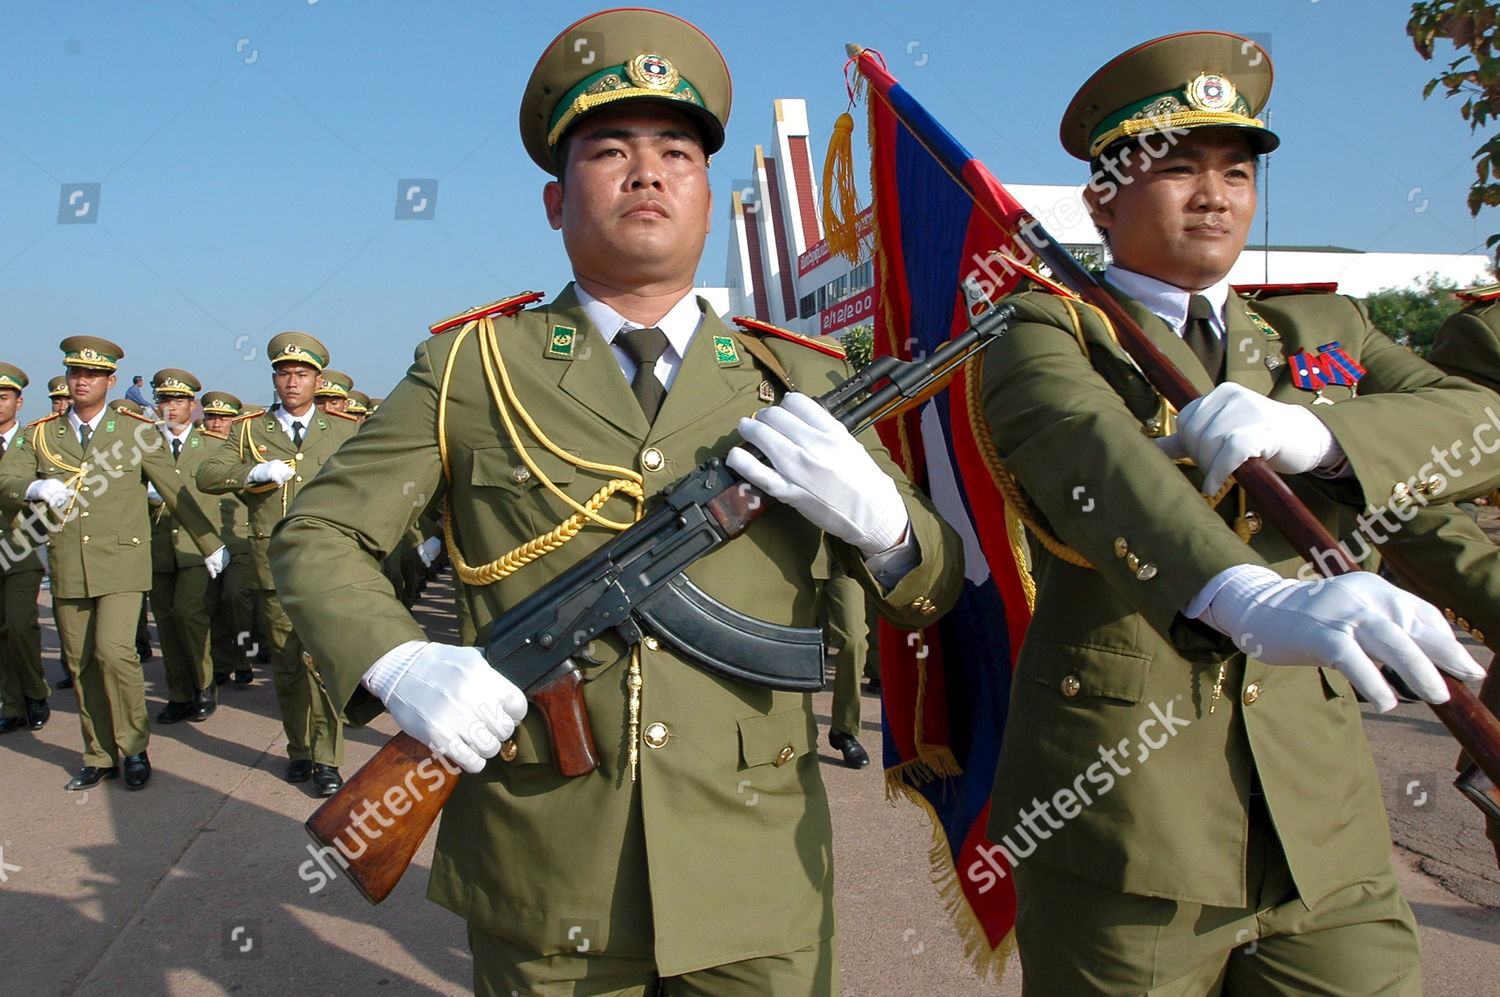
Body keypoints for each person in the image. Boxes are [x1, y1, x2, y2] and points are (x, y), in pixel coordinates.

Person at [268, 9, 962, 994]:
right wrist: (401, 660)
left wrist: (888, 530)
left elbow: (929, 593)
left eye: (677, 151)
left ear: (710, 197)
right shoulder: (474, 368)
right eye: (611, 150)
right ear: (555, 202)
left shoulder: (796, 380)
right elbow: (318, 535)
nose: (647, 173)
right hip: (548, 871)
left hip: (753, 879)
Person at [979, 32, 1499, 993]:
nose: (1215, 195)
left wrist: (1324, 438)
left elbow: (1485, 420)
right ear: (1102, 196)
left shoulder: (1319, 332)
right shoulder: (1043, 330)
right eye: (1176, 167)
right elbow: (1097, 463)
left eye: (1236, 170)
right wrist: (1249, 597)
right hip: (1127, 823)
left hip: (1323, 823)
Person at [0, 337, 225, 791]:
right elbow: (6, 475)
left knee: (115, 652)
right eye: (75, 374)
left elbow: (175, 488)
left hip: (123, 562)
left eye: (92, 375)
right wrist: (31, 489)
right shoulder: (43, 434)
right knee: (80, 661)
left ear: (111, 381)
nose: (81, 382)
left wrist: (209, 542)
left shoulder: (135, 431)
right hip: (69, 562)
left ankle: (135, 746)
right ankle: (99, 754)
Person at [196, 333, 360, 797]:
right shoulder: (250, 431)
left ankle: (328, 759)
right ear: (274, 378)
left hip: (328, 565)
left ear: (317, 380)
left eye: (302, 374)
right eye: (285, 373)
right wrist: (251, 473)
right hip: (275, 566)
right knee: (288, 666)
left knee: (325, 663)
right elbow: (207, 475)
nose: (293, 381)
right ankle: (300, 751)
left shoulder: (344, 430)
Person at [146, 369, 220, 723]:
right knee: (166, 620)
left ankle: (204, 684)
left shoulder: (211, 446)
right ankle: (179, 693)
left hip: (196, 547)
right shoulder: (144, 444)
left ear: (192, 405)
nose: (170, 408)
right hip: (156, 545)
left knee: (189, 614)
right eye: (163, 400)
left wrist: (220, 544)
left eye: (177, 401)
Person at [0, 362, 50, 734]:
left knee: (19, 625)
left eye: (3, 398)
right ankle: (12, 701)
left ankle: (34, 691)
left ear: (19, 402)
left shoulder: (35, 441)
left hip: (20, 549)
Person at [199, 391, 258, 687]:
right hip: (206, 539)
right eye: (211, 416)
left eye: (223, 418)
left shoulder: (247, 447)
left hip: (241, 538)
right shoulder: (198, 450)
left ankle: (246, 656)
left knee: (236, 599)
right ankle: (221, 662)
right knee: (213, 605)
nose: (216, 423)